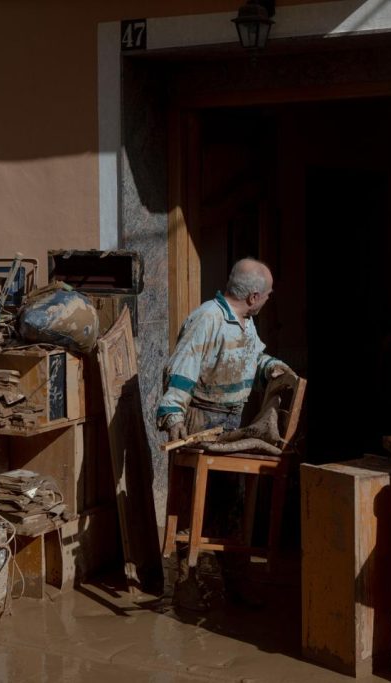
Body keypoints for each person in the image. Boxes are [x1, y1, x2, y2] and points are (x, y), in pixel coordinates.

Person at [157, 257, 296, 610]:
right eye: (266, 295)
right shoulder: (208, 318)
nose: (267, 300)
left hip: (230, 421)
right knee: (194, 507)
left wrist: (272, 367)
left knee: (228, 505)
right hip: (201, 419)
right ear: (253, 296)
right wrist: (173, 413)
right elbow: (182, 367)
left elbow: (254, 357)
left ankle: (233, 582)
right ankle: (187, 582)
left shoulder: (245, 324)